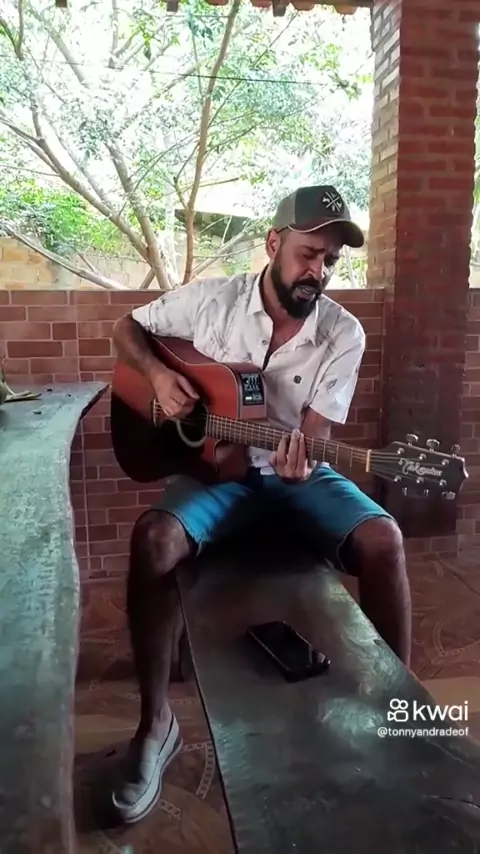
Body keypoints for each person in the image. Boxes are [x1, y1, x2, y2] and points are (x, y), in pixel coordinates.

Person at [111, 184, 412, 823]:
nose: (318, 272)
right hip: (215, 476)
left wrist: (301, 468)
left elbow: (315, 435)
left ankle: (397, 719)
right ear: (274, 244)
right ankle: (155, 723)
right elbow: (127, 327)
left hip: (290, 473)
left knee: (384, 539)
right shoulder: (211, 301)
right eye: (308, 254)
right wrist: (161, 376)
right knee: (154, 539)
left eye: (331, 260)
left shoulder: (343, 333)